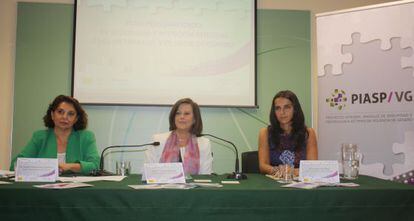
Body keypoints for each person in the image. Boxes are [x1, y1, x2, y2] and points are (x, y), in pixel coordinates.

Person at [10, 95, 100, 175]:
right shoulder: (40, 137)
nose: (64, 117)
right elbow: (16, 164)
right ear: (52, 115)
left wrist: (69, 166)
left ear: (76, 119)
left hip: (76, 190)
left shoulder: (86, 137)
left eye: (70, 114)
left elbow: (95, 165)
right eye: (60, 112)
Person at [145, 98, 213, 175]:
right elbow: (148, 173)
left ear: (194, 119)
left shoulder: (204, 143)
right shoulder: (157, 141)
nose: (181, 117)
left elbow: (205, 176)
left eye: (186, 114)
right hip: (162, 186)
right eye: (178, 113)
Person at [258, 90, 318, 176]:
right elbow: (263, 166)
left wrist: (292, 171)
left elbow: (312, 167)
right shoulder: (265, 133)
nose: (282, 112)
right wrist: (277, 170)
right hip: (275, 181)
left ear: (295, 109)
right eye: (278, 108)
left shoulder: (308, 133)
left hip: (301, 183)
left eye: (287, 107)